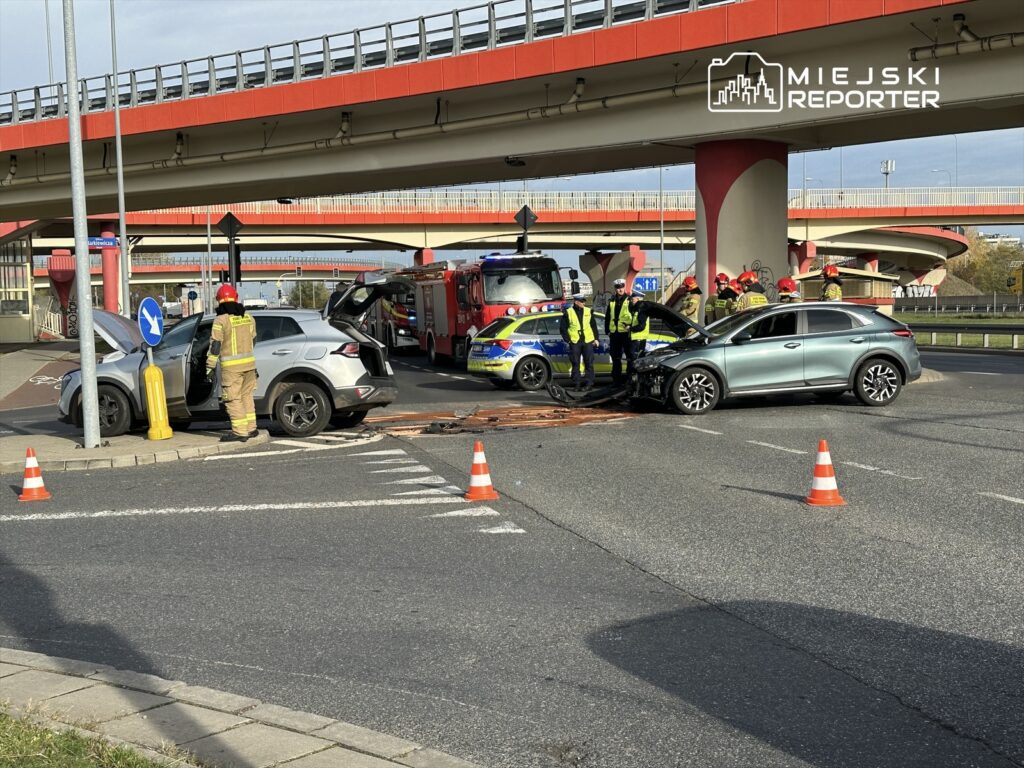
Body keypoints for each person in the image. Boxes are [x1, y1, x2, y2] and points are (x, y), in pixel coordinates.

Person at [205, 284, 258, 442]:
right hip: (250, 366)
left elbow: (215, 346)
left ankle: (240, 432)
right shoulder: (248, 317)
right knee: (247, 397)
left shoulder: (220, 320)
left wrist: (210, 367)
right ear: (236, 298)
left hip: (232, 369)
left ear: (219, 301)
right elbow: (253, 339)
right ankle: (251, 428)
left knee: (233, 399)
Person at [561, 293, 600, 391]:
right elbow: (563, 328)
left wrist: (596, 339)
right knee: (575, 363)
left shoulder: (588, 311)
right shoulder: (568, 312)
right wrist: (568, 340)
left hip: (587, 341)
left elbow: (593, 326)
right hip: (575, 341)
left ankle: (589, 384)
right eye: (582, 301)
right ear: (576, 302)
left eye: (584, 301)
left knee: (589, 363)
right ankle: (577, 384)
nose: (584, 303)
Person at [604, 278, 635, 386]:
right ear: (615, 289)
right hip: (615, 334)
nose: (620, 290)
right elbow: (607, 317)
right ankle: (616, 381)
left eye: (621, 287)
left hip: (626, 334)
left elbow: (635, 316)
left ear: (624, 287)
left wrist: (631, 327)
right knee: (615, 357)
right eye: (618, 288)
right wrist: (607, 331)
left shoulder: (629, 300)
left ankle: (629, 380)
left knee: (630, 357)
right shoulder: (612, 301)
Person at [629, 289, 650, 358]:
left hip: (638, 340)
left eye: (633, 299)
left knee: (635, 360)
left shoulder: (642, 310)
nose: (632, 301)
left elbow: (641, 326)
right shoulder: (638, 309)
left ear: (638, 299)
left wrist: (630, 328)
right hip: (637, 339)